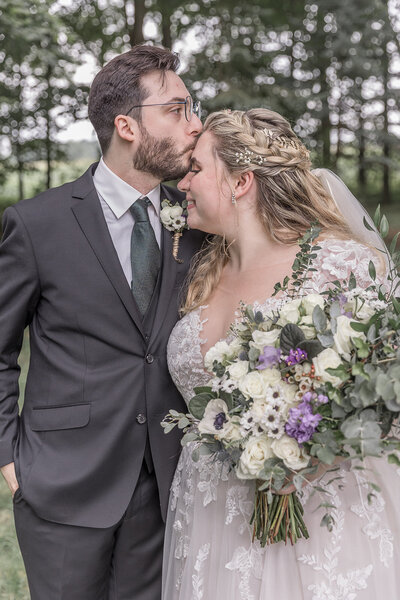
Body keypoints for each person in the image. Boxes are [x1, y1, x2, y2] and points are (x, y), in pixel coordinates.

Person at [162, 108, 400, 599]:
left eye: (196, 169)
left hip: (321, 509)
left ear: (241, 181)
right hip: (211, 511)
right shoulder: (194, 273)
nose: (182, 183)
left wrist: (306, 450)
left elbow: (384, 389)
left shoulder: (344, 265)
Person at [0, 44, 204, 599]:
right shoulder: (36, 224)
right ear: (127, 126)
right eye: (178, 109)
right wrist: (9, 457)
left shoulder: (200, 224)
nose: (195, 124)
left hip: (165, 483)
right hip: (62, 483)